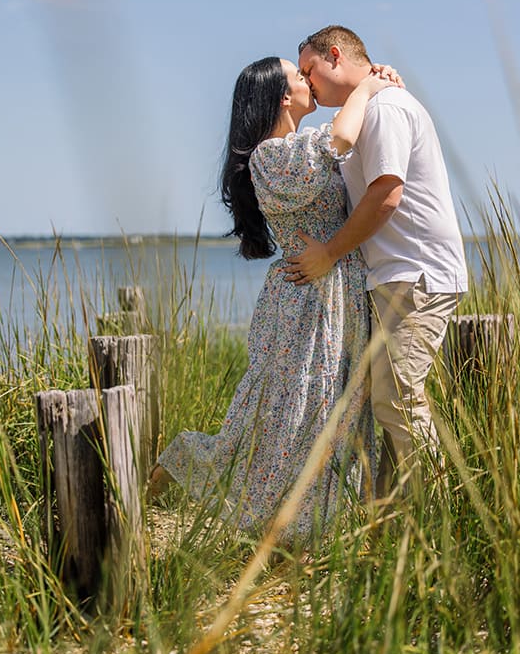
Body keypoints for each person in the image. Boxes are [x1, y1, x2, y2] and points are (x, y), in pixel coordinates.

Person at [148, 56, 397, 543]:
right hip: (304, 302)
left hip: (337, 292)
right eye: (300, 76)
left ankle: (307, 529)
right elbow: (339, 138)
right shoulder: (271, 156)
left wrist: (376, 84)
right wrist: (367, 85)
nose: (310, 81)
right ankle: (178, 469)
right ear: (283, 96)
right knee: (278, 414)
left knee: (328, 409)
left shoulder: (300, 146)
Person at [287, 25, 467, 497]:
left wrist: (327, 254)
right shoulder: (368, 105)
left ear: (334, 56)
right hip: (393, 274)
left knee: (398, 400)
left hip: (416, 271)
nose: (307, 83)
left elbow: (387, 194)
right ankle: (398, 520)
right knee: (386, 403)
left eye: (309, 70)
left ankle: (442, 519)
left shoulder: (386, 108)